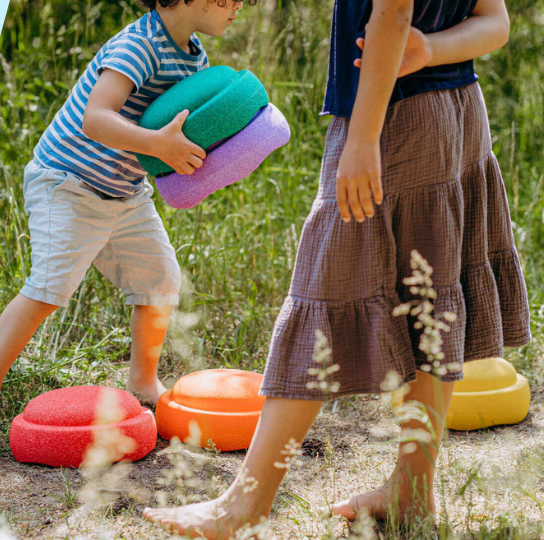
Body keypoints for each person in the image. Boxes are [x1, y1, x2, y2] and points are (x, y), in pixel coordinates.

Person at [144, 0, 530, 536]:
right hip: (458, 112)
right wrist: (430, 50)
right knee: (429, 298)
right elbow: (496, 22)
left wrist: (364, 138)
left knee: (323, 289)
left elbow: (392, 13)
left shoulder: (376, 127)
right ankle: (412, 490)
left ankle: (245, 505)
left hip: (393, 120)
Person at [0, 0, 249, 451]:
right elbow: (97, 118)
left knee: (160, 279)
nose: (240, 7)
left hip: (125, 192)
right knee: (49, 289)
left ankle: (142, 382)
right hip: (68, 182)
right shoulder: (139, 44)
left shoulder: (194, 57)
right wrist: (157, 144)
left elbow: (176, 138)